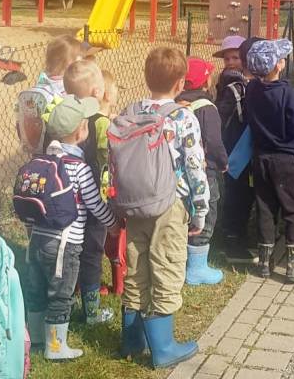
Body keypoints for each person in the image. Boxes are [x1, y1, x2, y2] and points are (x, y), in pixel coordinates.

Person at [119, 47, 209, 369]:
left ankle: (131, 341)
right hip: (170, 205)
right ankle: (164, 348)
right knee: (167, 267)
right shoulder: (183, 117)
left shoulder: (129, 111)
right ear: (181, 83)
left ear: (146, 77)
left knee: (136, 268)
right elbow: (195, 166)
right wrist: (200, 209)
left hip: (134, 203)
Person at [22, 96, 120, 360]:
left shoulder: (43, 162)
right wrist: (113, 224)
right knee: (61, 294)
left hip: (37, 240)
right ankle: (56, 347)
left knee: (37, 290)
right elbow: (94, 204)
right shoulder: (80, 168)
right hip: (65, 244)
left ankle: (37, 338)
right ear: (81, 131)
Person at [244, 39, 294, 283]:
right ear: (277, 66)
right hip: (287, 158)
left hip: (261, 157)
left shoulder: (251, 90)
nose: (284, 60)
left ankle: (264, 261)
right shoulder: (287, 92)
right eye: (281, 58)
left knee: (265, 207)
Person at [61, 60, 114, 325]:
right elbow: (108, 157)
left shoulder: (63, 117)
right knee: (92, 252)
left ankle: (66, 301)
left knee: (68, 251)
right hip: (94, 197)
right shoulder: (101, 123)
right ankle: (91, 311)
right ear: (97, 91)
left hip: (66, 197)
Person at [176, 57, 227, 285]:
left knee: (185, 211)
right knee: (206, 211)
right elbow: (214, 141)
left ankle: (182, 258)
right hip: (205, 172)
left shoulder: (176, 105)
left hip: (180, 172)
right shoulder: (207, 108)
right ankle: (197, 267)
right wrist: (222, 161)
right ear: (206, 82)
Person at [214, 35, 254, 258]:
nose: (230, 62)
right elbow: (224, 116)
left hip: (237, 144)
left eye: (235, 58)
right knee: (237, 191)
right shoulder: (234, 85)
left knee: (239, 190)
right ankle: (232, 235)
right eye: (227, 58)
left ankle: (236, 231)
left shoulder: (236, 83)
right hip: (235, 144)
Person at [17, 36, 84, 153]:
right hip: (62, 143)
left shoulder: (43, 80)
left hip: (39, 143)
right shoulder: (66, 87)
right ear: (69, 64)